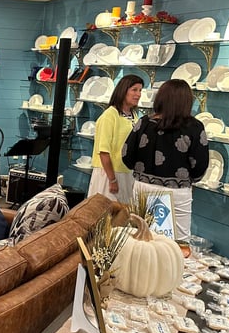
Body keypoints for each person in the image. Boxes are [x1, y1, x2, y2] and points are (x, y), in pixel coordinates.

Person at [122, 79, 209, 241]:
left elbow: (126, 155)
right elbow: (200, 165)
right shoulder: (195, 127)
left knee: (138, 239)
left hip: (142, 188)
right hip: (177, 191)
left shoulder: (144, 123)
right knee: (177, 243)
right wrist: (190, 179)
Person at [87, 74, 144, 203]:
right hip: (109, 174)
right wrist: (112, 179)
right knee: (104, 214)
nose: (138, 94)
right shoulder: (109, 115)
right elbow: (103, 151)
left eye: (140, 90)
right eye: (134, 90)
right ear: (123, 91)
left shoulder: (134, 115)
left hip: (127, 173)